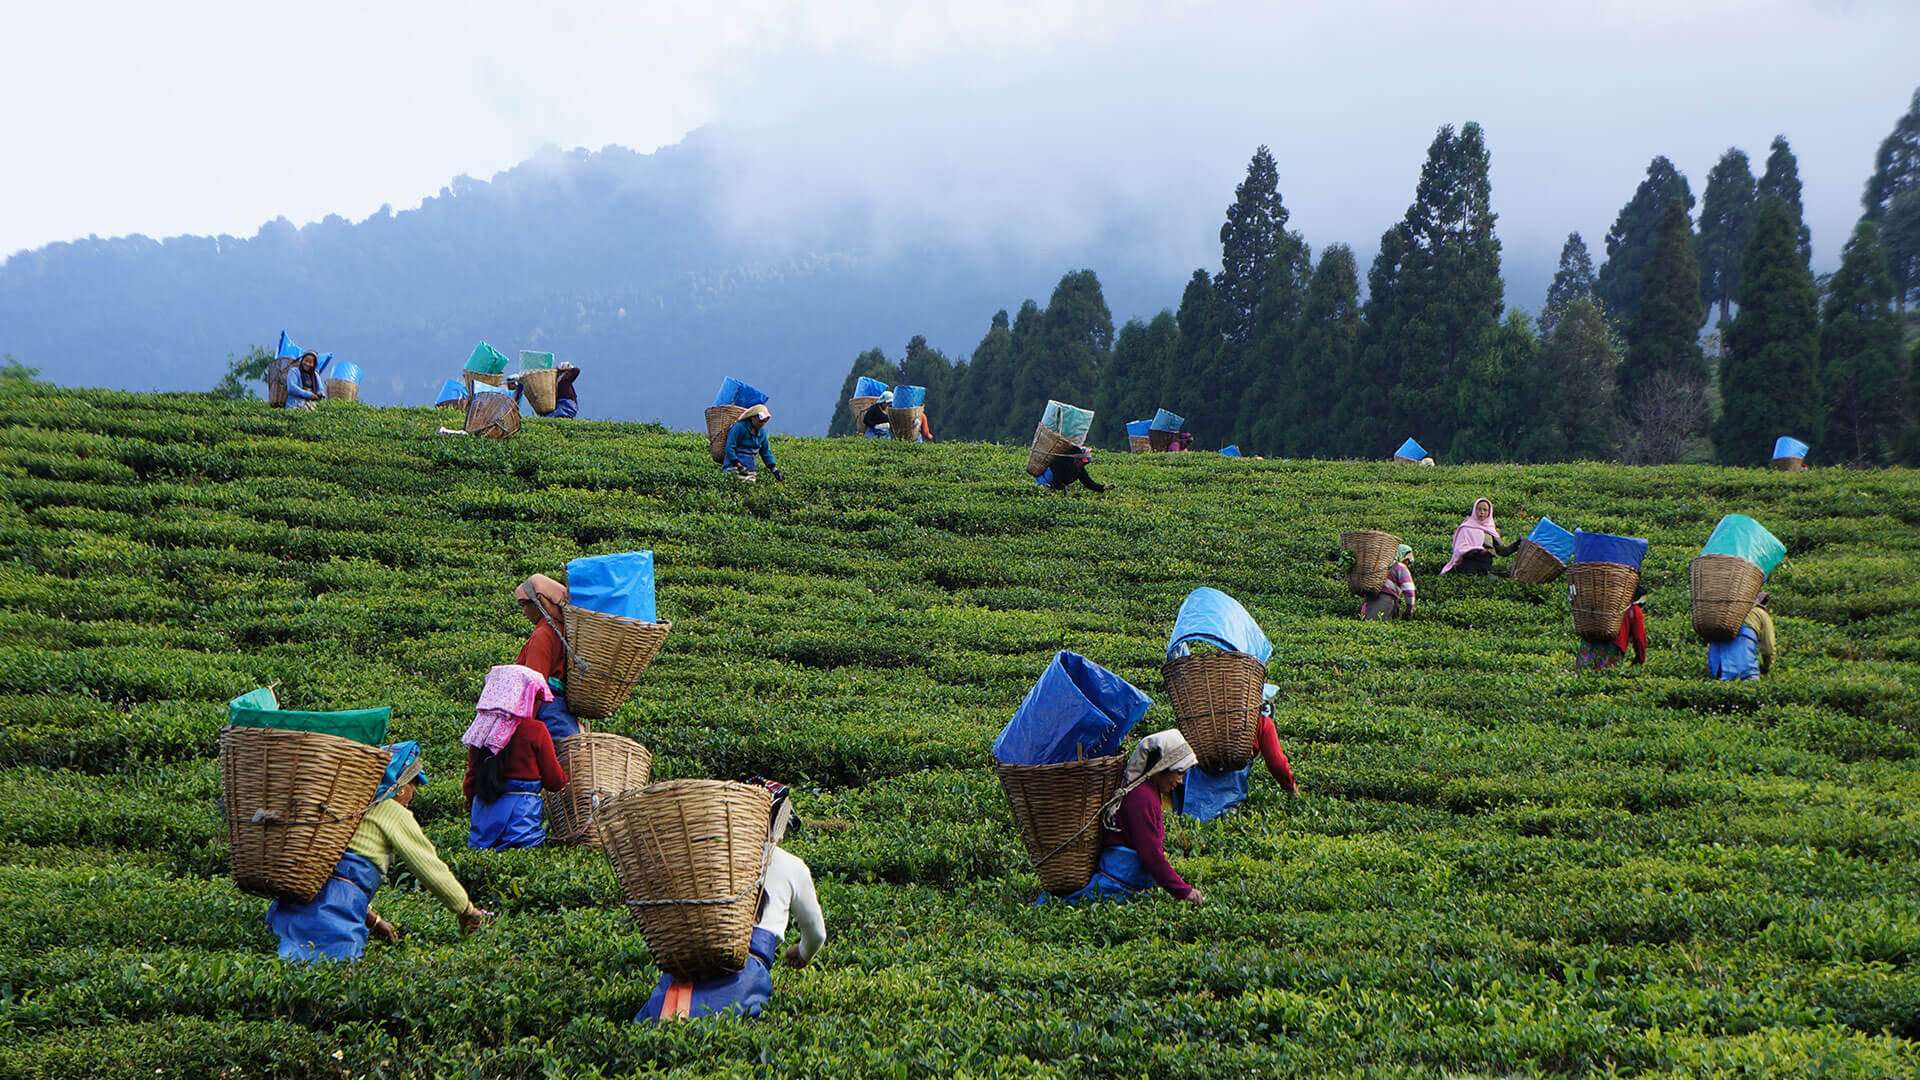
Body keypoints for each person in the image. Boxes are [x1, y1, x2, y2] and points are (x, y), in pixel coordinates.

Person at [266, 742, 491, 961]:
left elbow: (334, 876)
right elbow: (430, 868)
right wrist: (466, 909)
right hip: (332, 913)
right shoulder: (393, 812)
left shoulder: (352, 804)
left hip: (295, 903)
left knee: (288, 973)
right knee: (331, 974)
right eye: (414, 786)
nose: (413, 795)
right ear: (401, 787)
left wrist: (373, 920)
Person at [636, 778, 826, 1021]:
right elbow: (817, 934)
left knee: (660, 1025)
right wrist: (801, 952)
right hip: (744, 976)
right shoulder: (791, 866)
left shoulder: (705, 855)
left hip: (687, 970)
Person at [1061, 730, 1204, 904]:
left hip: (1127, 883)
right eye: (1179, 773)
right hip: (1116, 884)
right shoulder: (1142, 797)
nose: (1180, 781)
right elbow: (1151, 854)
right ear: (1161, 768)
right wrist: (1184, 891)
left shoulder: (1149, 792)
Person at [464, 665, 569, 849]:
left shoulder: (480, 729)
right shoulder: (535, 731)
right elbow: (555, 782)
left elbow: (470, 781)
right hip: (522, 827)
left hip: (482, 827)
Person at [512, 574, 581, 740]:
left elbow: (534, 684)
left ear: (539, 602)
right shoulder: (566, 631)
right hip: (563, 710)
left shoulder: (543, 634)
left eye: (525, 605)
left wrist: (522, 723)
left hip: (547, 710)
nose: (524, 612)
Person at [1577, 581, 1648, 670]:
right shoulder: (1633, 610)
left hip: (1587, 644)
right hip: (1612, 648)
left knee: (1582, 677)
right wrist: (1640, 659)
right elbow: (1639, 638)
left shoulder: (1600, 602)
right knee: (1604, 679)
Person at [1708, 591, 1776, 681]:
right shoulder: (1760, 613)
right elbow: (1768, 648)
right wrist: (1767, 666)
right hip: (1745, 664)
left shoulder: (1723, 611)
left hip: (1717, 666)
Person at [1441, 498, 1519, 575]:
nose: (1482, 512)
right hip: (1469, 565)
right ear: (1474, 510)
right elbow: (1459, 550)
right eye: (1479, 509)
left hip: (1485, 566)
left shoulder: (1490, 530)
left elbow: (1503, 551)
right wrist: (1478, 551)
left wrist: (1517, 544)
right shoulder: (1466, 528)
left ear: (1489, 512)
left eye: (1485, 510)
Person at [723, 404, 783, 481]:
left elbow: (765, 452)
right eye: (760, 421)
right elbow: (729, 447)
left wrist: (774, 469)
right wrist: (738, 465)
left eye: (765, 421)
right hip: (733, 467)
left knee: (748, 489)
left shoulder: (762, 433)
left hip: (750, 469)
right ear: (752, 417)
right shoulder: (739, 427)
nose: (762, 423)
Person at [1361, 544, 1416, 620]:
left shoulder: (1379, 565)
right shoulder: (1400, 567)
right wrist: (1409, 610)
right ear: (1403, 556)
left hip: (1367, 601)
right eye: (1408, 560)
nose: (1408, 564)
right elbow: (1409, 591)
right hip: (1385, 602)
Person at [510, 363, 582, 418]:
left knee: (556, 416)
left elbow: (576, 370)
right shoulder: (554, 380)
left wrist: (568, 367)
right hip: (557, 404)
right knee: (548, 416)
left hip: (567, 404)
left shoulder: (566, 379)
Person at [1037, 446, 1110, 493]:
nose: (1082, 465)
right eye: (1082, 463)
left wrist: (1103, 487)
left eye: (1084, 464)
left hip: (1055, 488)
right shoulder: (1060, 462)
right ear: (1076, 459)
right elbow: (1056, 481)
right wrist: (1064, 489)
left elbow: (1089, 483)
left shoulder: (1079, 470)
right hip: (1043, 484)